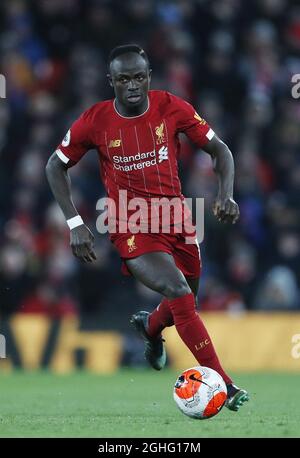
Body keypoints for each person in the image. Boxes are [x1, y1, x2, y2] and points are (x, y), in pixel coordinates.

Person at [46, 44, 249, 411]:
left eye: (139, 77)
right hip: (130, 222)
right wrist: (75, 223)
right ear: (112, 82)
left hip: (178, 219)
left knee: (185, 300)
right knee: (179, 290)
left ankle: (152, 328)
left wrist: (227, 194)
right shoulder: (94, 121)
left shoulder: (172, 107)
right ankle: (225, 385)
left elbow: (221, 151)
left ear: (149, 77)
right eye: (124, 79)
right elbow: (54, 165)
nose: (133, 85)